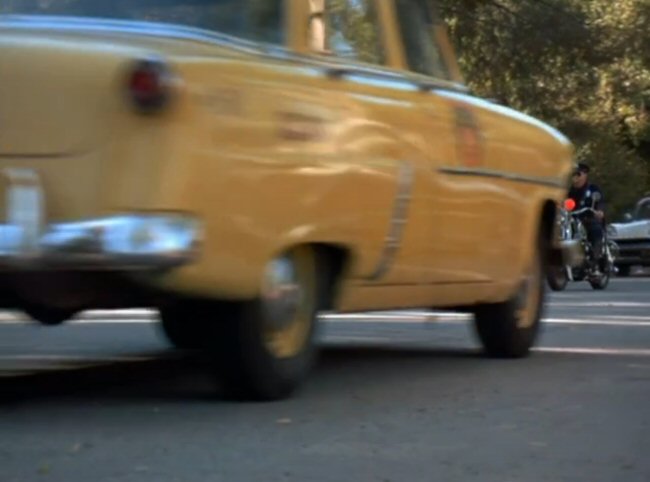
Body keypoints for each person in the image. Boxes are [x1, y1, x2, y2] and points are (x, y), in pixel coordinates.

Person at [568, 162, 606, 272]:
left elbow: (601, 201)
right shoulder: (570, 191)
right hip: (574, 220)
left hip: (590, 218)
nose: (575, 178)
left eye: (578, 174)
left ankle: (595, 260)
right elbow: (563, 203)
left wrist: (599, 211)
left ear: (585, 175)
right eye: (573, 175)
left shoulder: (593, 188)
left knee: (595, 230)